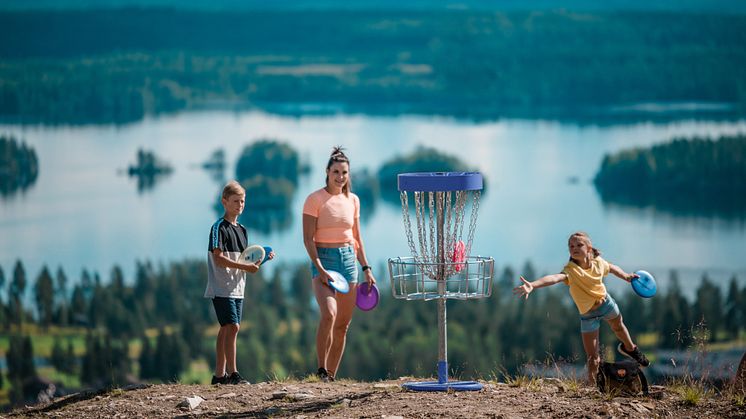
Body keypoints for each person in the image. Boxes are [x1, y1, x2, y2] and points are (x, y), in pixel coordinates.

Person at [512, 231, 649, 383]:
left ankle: (630, 348)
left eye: (579, 245)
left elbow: (611, 268)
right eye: (571, 246)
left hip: (606, 303)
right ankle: (593, 387)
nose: (574, 248)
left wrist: (626, 277)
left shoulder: (598, 262)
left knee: (619, 327)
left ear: (589, 248)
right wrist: (533, 285)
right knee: (593, 358)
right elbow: (554, 278)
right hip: (588, 316)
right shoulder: (571, 270)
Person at [302, 146, 377, 382]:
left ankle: (331, 377)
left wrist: (366, 268)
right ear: (327, 172)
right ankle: (321, 369)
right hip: (323, 260)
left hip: (348, 261)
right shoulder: (314, 199)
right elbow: (307, 238)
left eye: (344, 172)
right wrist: (320, 268)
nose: (340, 177)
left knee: (343, 325)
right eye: (336, 172)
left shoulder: (353, 200)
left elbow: (357, 237)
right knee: (329, 315)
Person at [205, 180, 274, 385]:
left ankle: (219, 375)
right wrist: (246, 268)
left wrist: (262, 259)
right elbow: (218, 258)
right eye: (236, 201)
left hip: (237, 287)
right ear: (224, 202)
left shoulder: (242, 230)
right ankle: (233, 374)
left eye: (243, 201)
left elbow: (244, 259)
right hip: (221, 286)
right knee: (232, 326)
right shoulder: (218, 228)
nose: (240, 205)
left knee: (227, 327)